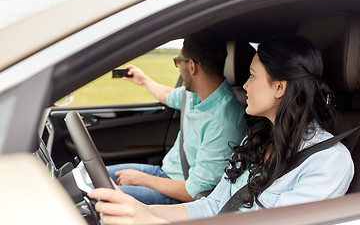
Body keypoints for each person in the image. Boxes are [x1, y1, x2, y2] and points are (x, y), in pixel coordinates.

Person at [89, 35, 354, 224]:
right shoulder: (257, 139)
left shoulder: (329, 161)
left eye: (251, 76)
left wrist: (152, 221)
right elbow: (213, 205)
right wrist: (142, 210)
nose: (245, 86)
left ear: (279, 87)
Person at [105, 31, 248, 205]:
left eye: (178, 61)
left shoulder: (225, 121)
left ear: (193, 66)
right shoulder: (195, 94)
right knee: (94, 176)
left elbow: (194, 192)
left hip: (180, 194)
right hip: (164, 174)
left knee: (100, 199)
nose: (178, 67)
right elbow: (168, 95)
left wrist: (141, 179)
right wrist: (143, 80)